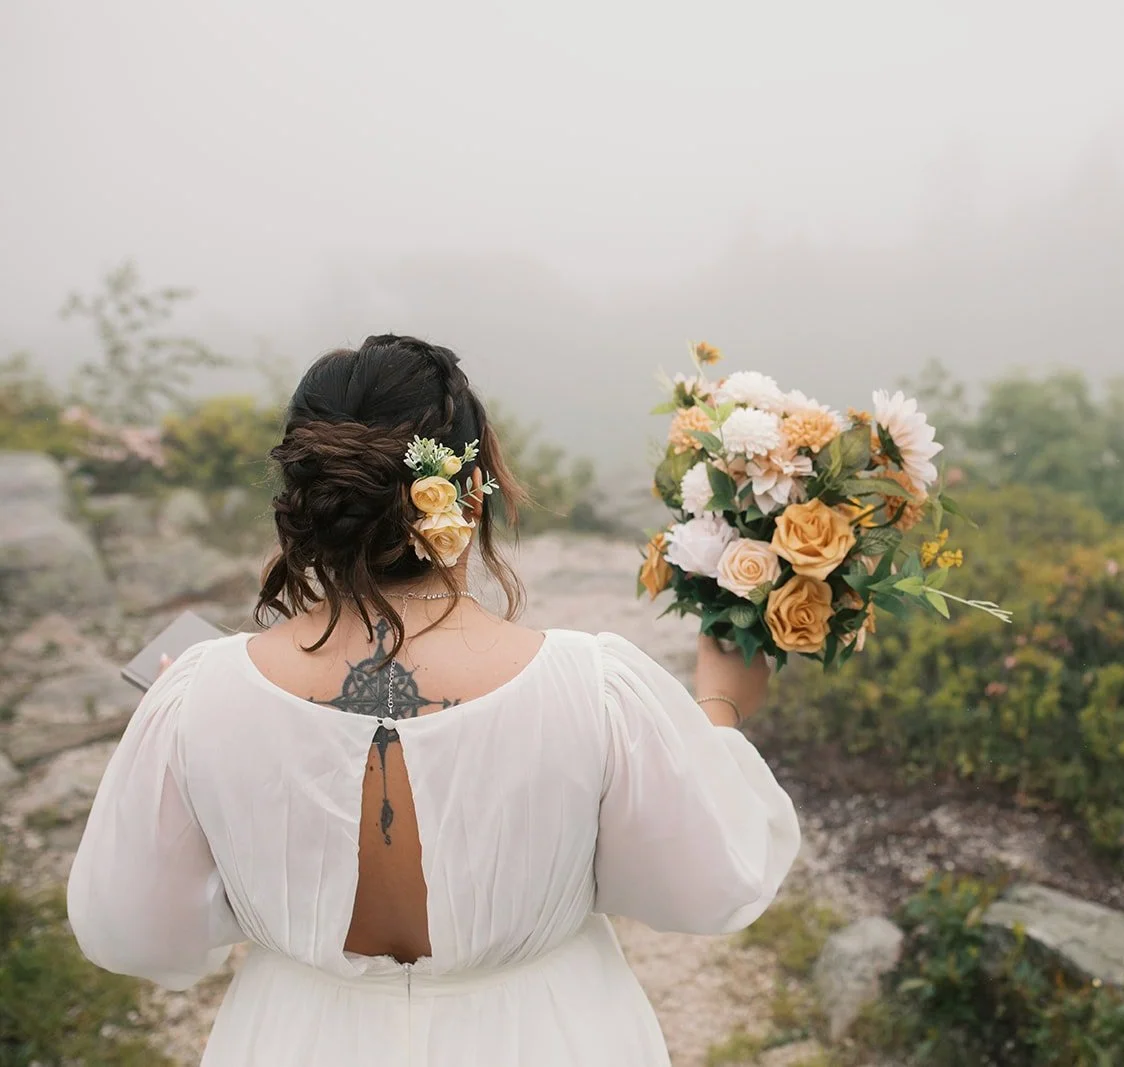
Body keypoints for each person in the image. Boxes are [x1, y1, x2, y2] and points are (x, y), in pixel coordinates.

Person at [67, 335, 801, 1064]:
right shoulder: (596, 687)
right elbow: (711, 887)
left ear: (304, 501)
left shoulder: (197, 696)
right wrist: (718, 712)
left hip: (297, 1039)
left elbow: (130, 928)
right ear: (473, 492)